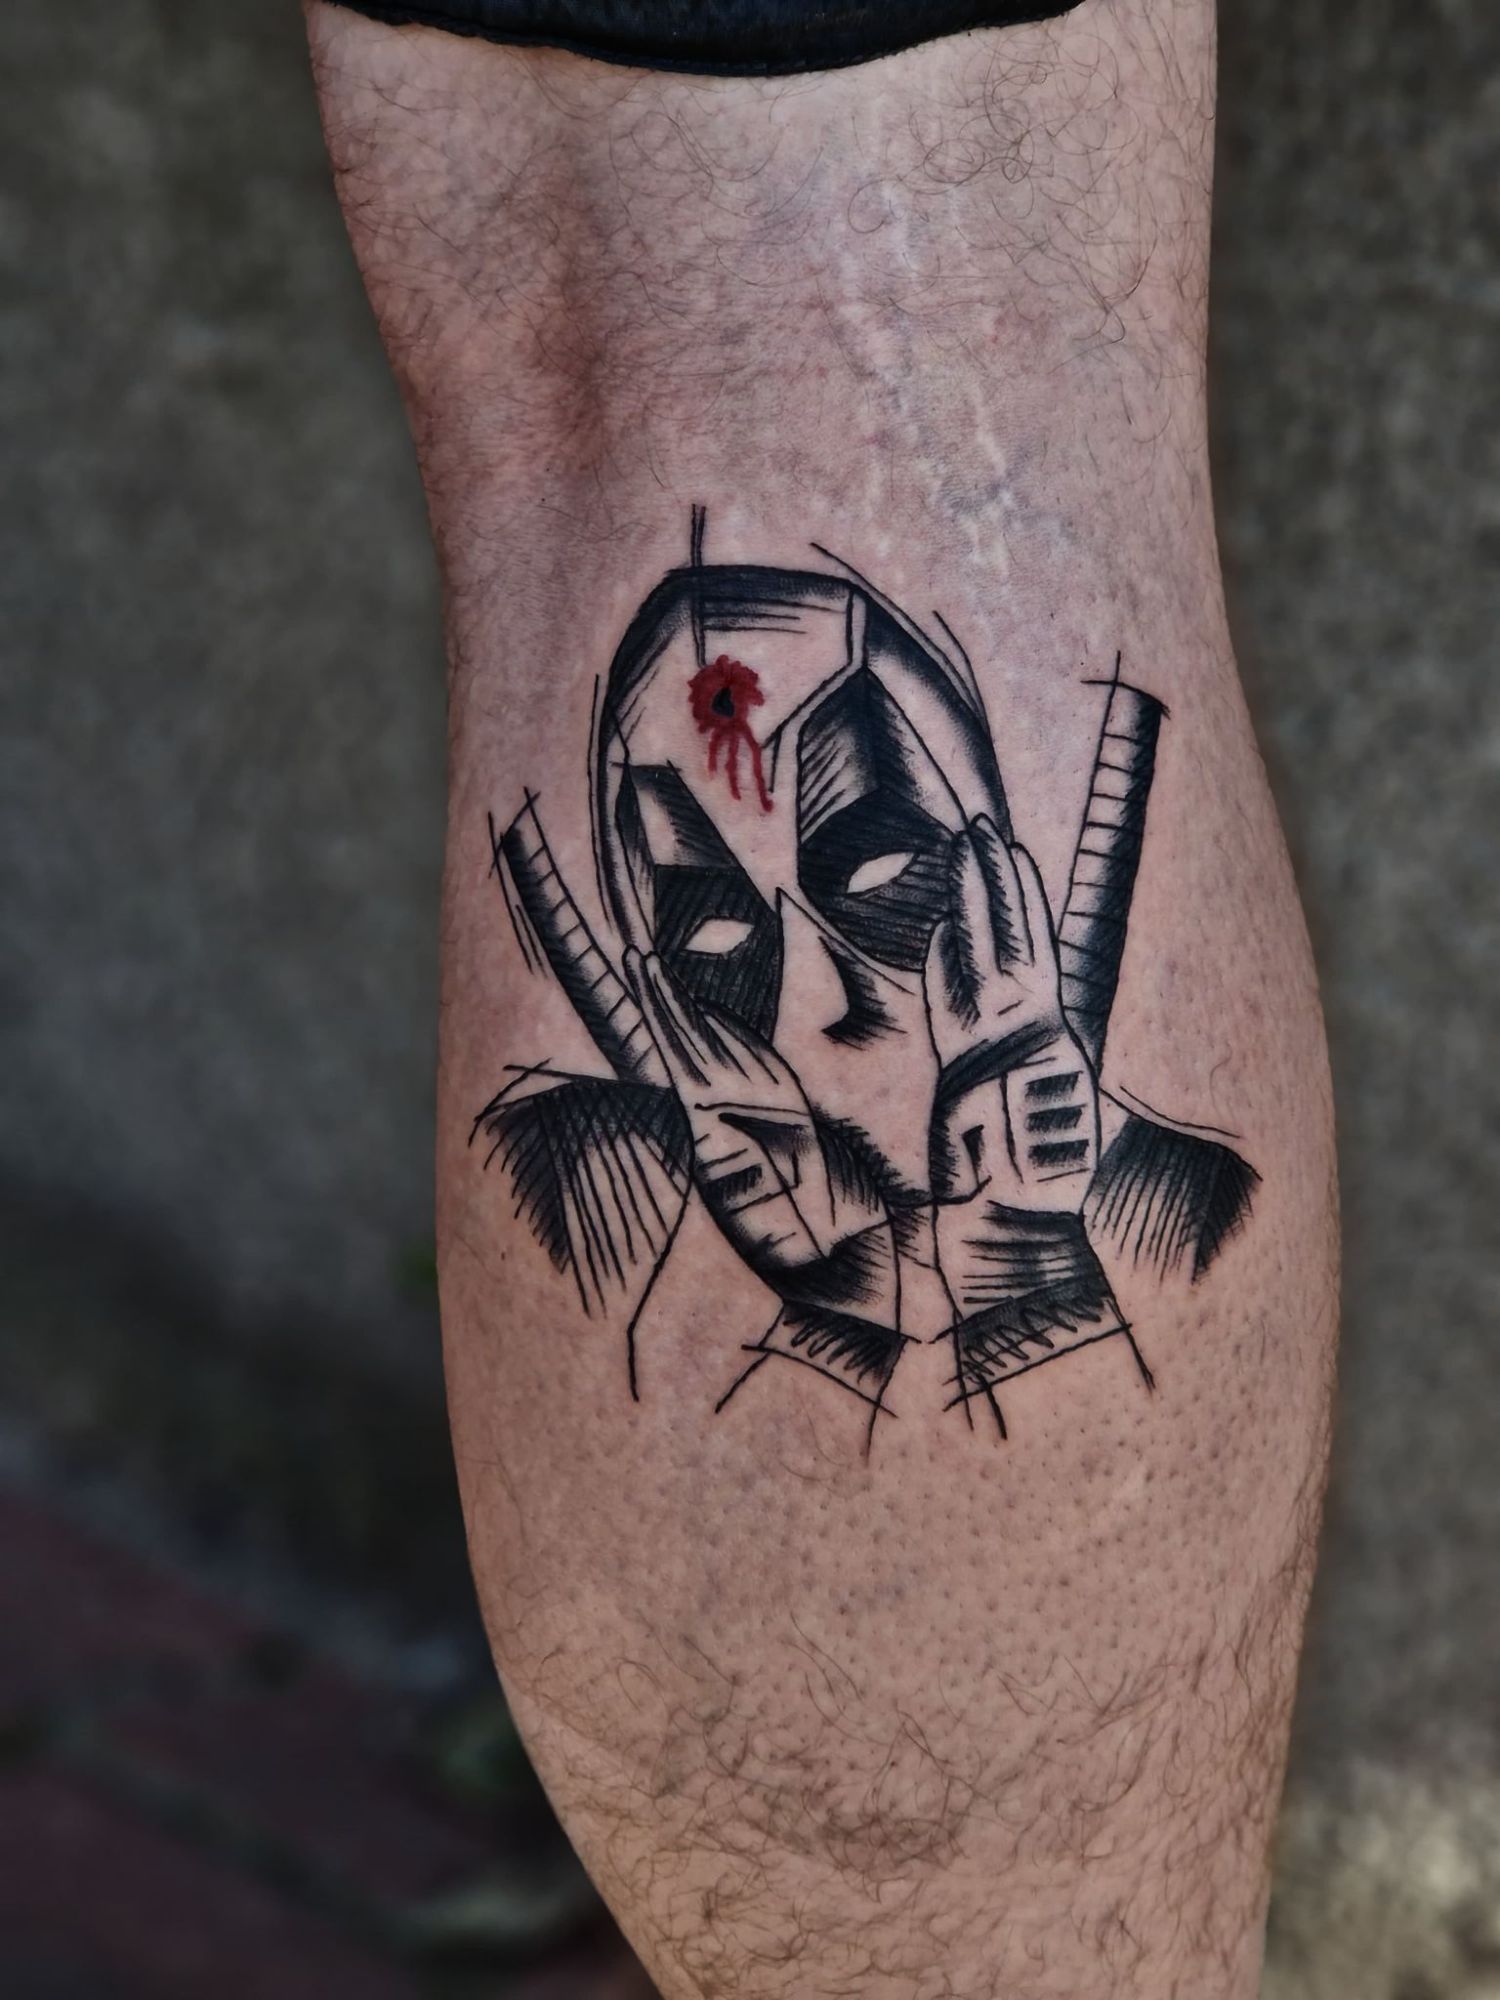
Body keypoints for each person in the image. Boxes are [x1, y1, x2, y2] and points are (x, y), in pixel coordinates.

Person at [304, 1, 1340, 1990]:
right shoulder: (656, 1159)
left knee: (773, 285)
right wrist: (855, 1272)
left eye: (872, 877)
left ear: (1006, 886)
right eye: (707, 932)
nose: (809, 995)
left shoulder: (1105, 1172)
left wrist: (1020, 1250)